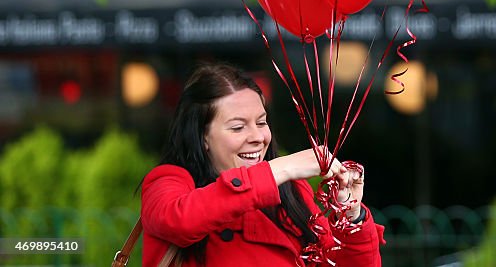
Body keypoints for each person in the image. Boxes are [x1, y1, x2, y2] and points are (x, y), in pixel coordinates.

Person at [140, 63, 384, 266]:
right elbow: (179, 220)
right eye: (238, 127)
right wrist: (280, 169)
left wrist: (350, 214)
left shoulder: (293, 191)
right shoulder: (168, 181)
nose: (257, 137)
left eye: (261, 122)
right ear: (202, 136)